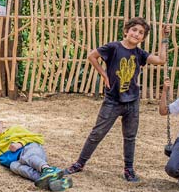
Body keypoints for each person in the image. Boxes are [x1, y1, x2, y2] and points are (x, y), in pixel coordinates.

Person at [65, 18, 170, 182]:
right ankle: (80, 163)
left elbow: (161, 60)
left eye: (141, 33)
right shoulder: (113, 47)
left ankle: (129, 169)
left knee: (130, 136)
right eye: (134, 30)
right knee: (97, 133)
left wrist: (164, 38)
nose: (136, 34)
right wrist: (104, 74)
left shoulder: (140, 54)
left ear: (143, 38)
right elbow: (92, 56)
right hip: (113, 100)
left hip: (132, 101)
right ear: (126, 31)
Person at [0, 113, 71, 192]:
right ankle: (49, 181)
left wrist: (20, 144)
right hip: (18, 161)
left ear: (1, 123)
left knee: (25, 157)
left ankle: (47, 169)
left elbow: (38, 138)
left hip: (30, 150)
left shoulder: (15, 130)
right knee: (14, 166)